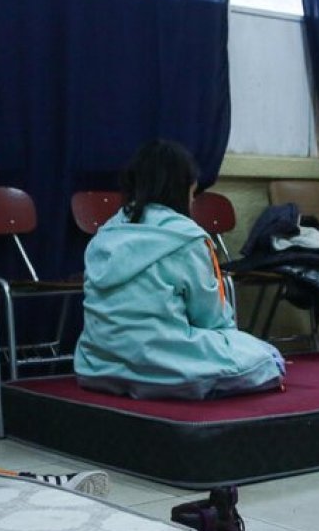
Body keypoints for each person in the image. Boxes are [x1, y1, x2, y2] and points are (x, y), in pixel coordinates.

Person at [74, 139, 286, 399]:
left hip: (97, 367)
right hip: (159, 362)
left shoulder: (105, 234)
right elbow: (210, 318)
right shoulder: (187, 238)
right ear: (182, 190)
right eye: (192, 192)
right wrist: (233, 344)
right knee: (266, 357)